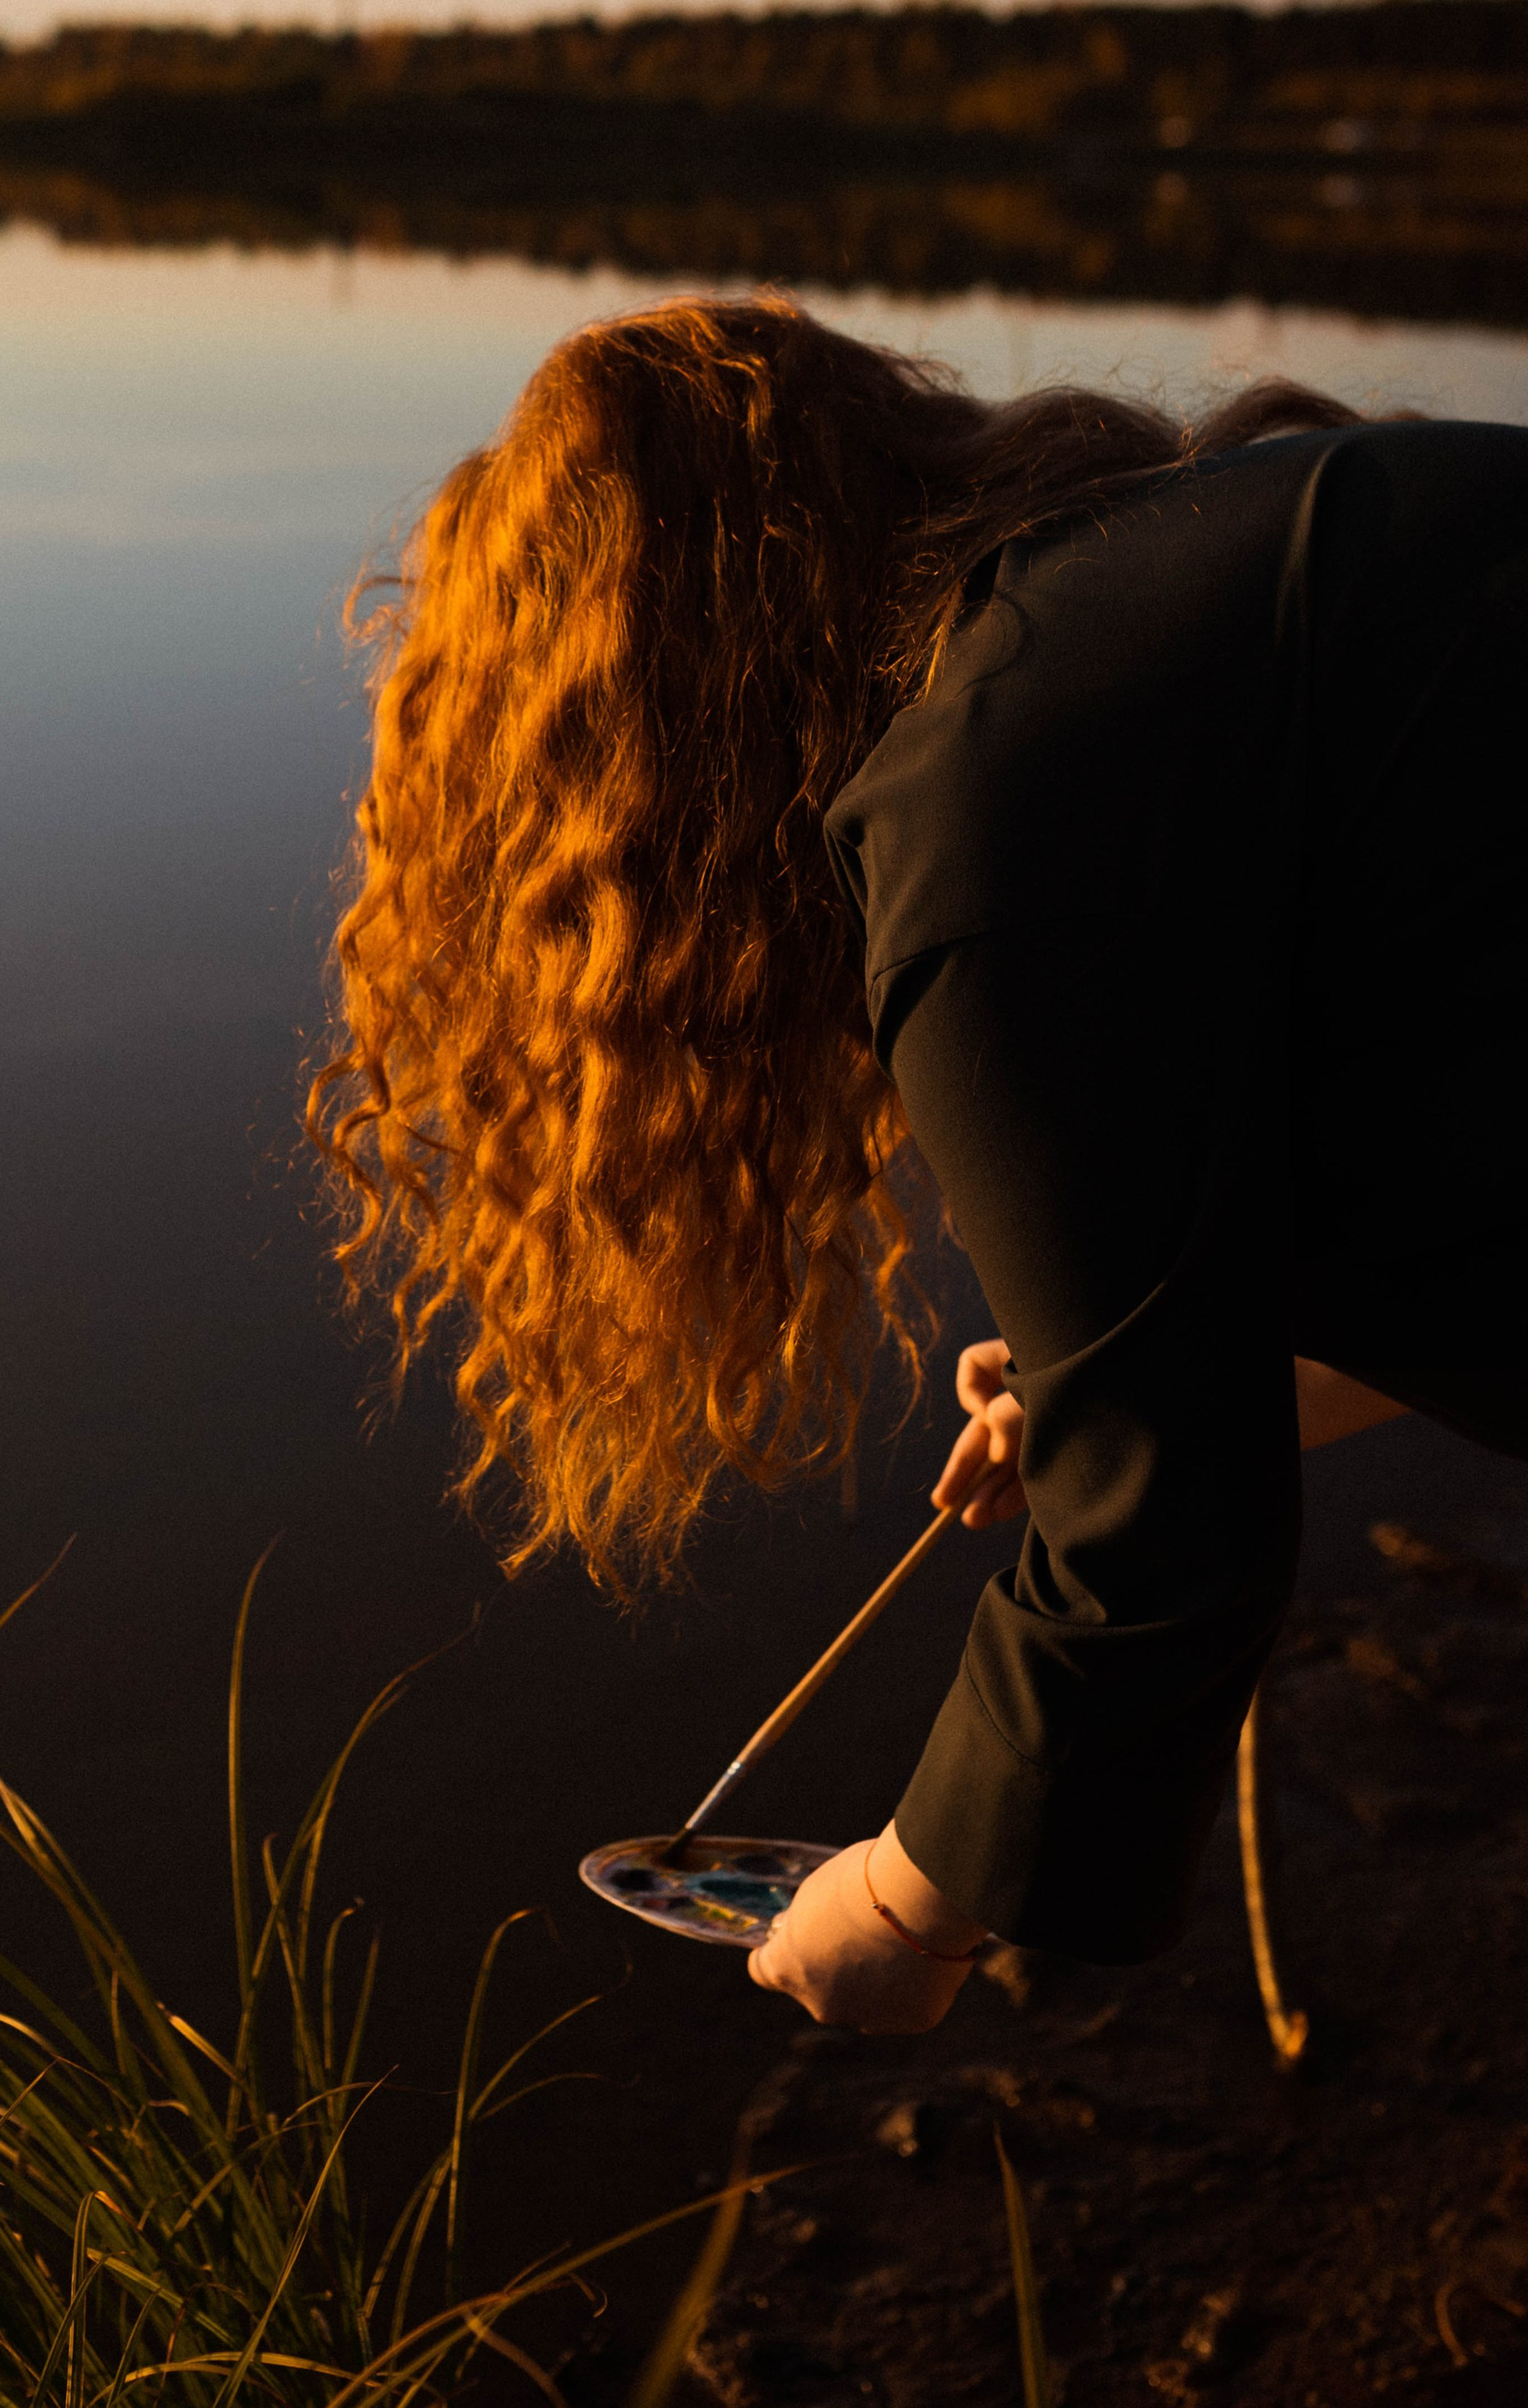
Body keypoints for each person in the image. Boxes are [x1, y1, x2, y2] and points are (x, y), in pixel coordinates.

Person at [307, 294, 1527, 2031]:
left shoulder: (987, 788)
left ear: (643, 754)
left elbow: (1165, 1537)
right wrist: (1138, 1369)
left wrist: (904, 1900)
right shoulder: (1159, 608)